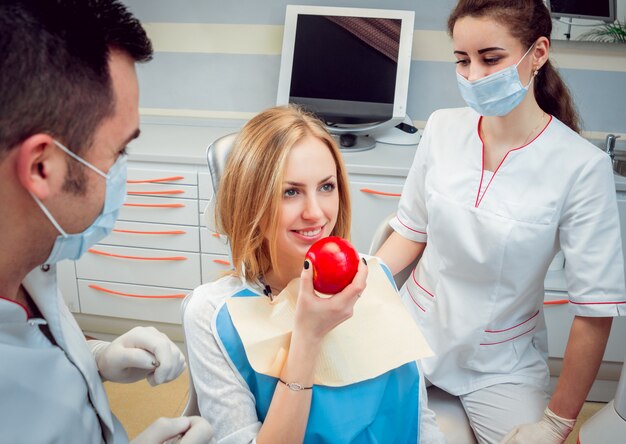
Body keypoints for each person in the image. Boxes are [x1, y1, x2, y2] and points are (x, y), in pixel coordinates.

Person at [376, 0, 626, 443]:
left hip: (500, 361)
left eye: (491, 59)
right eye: (462, 60)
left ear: (539, 53)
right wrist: (364, 279)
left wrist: (557, 423)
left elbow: (595, 310)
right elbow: (411, 233)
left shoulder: (581, 167)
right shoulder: (442, 128)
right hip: (412, 333)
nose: (473, 76)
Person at [0, 1, 214, 442]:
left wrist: (95, 357)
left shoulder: (31, 255)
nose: (121, 172)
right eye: (119, 152)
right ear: (43, 168)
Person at [184, 105, 446, 443]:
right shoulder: (212, 314)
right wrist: (306, 338)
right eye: (290, 192)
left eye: (326, 187)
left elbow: (418, 416)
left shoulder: (376, 276)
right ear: (250, 204)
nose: (316, 213)